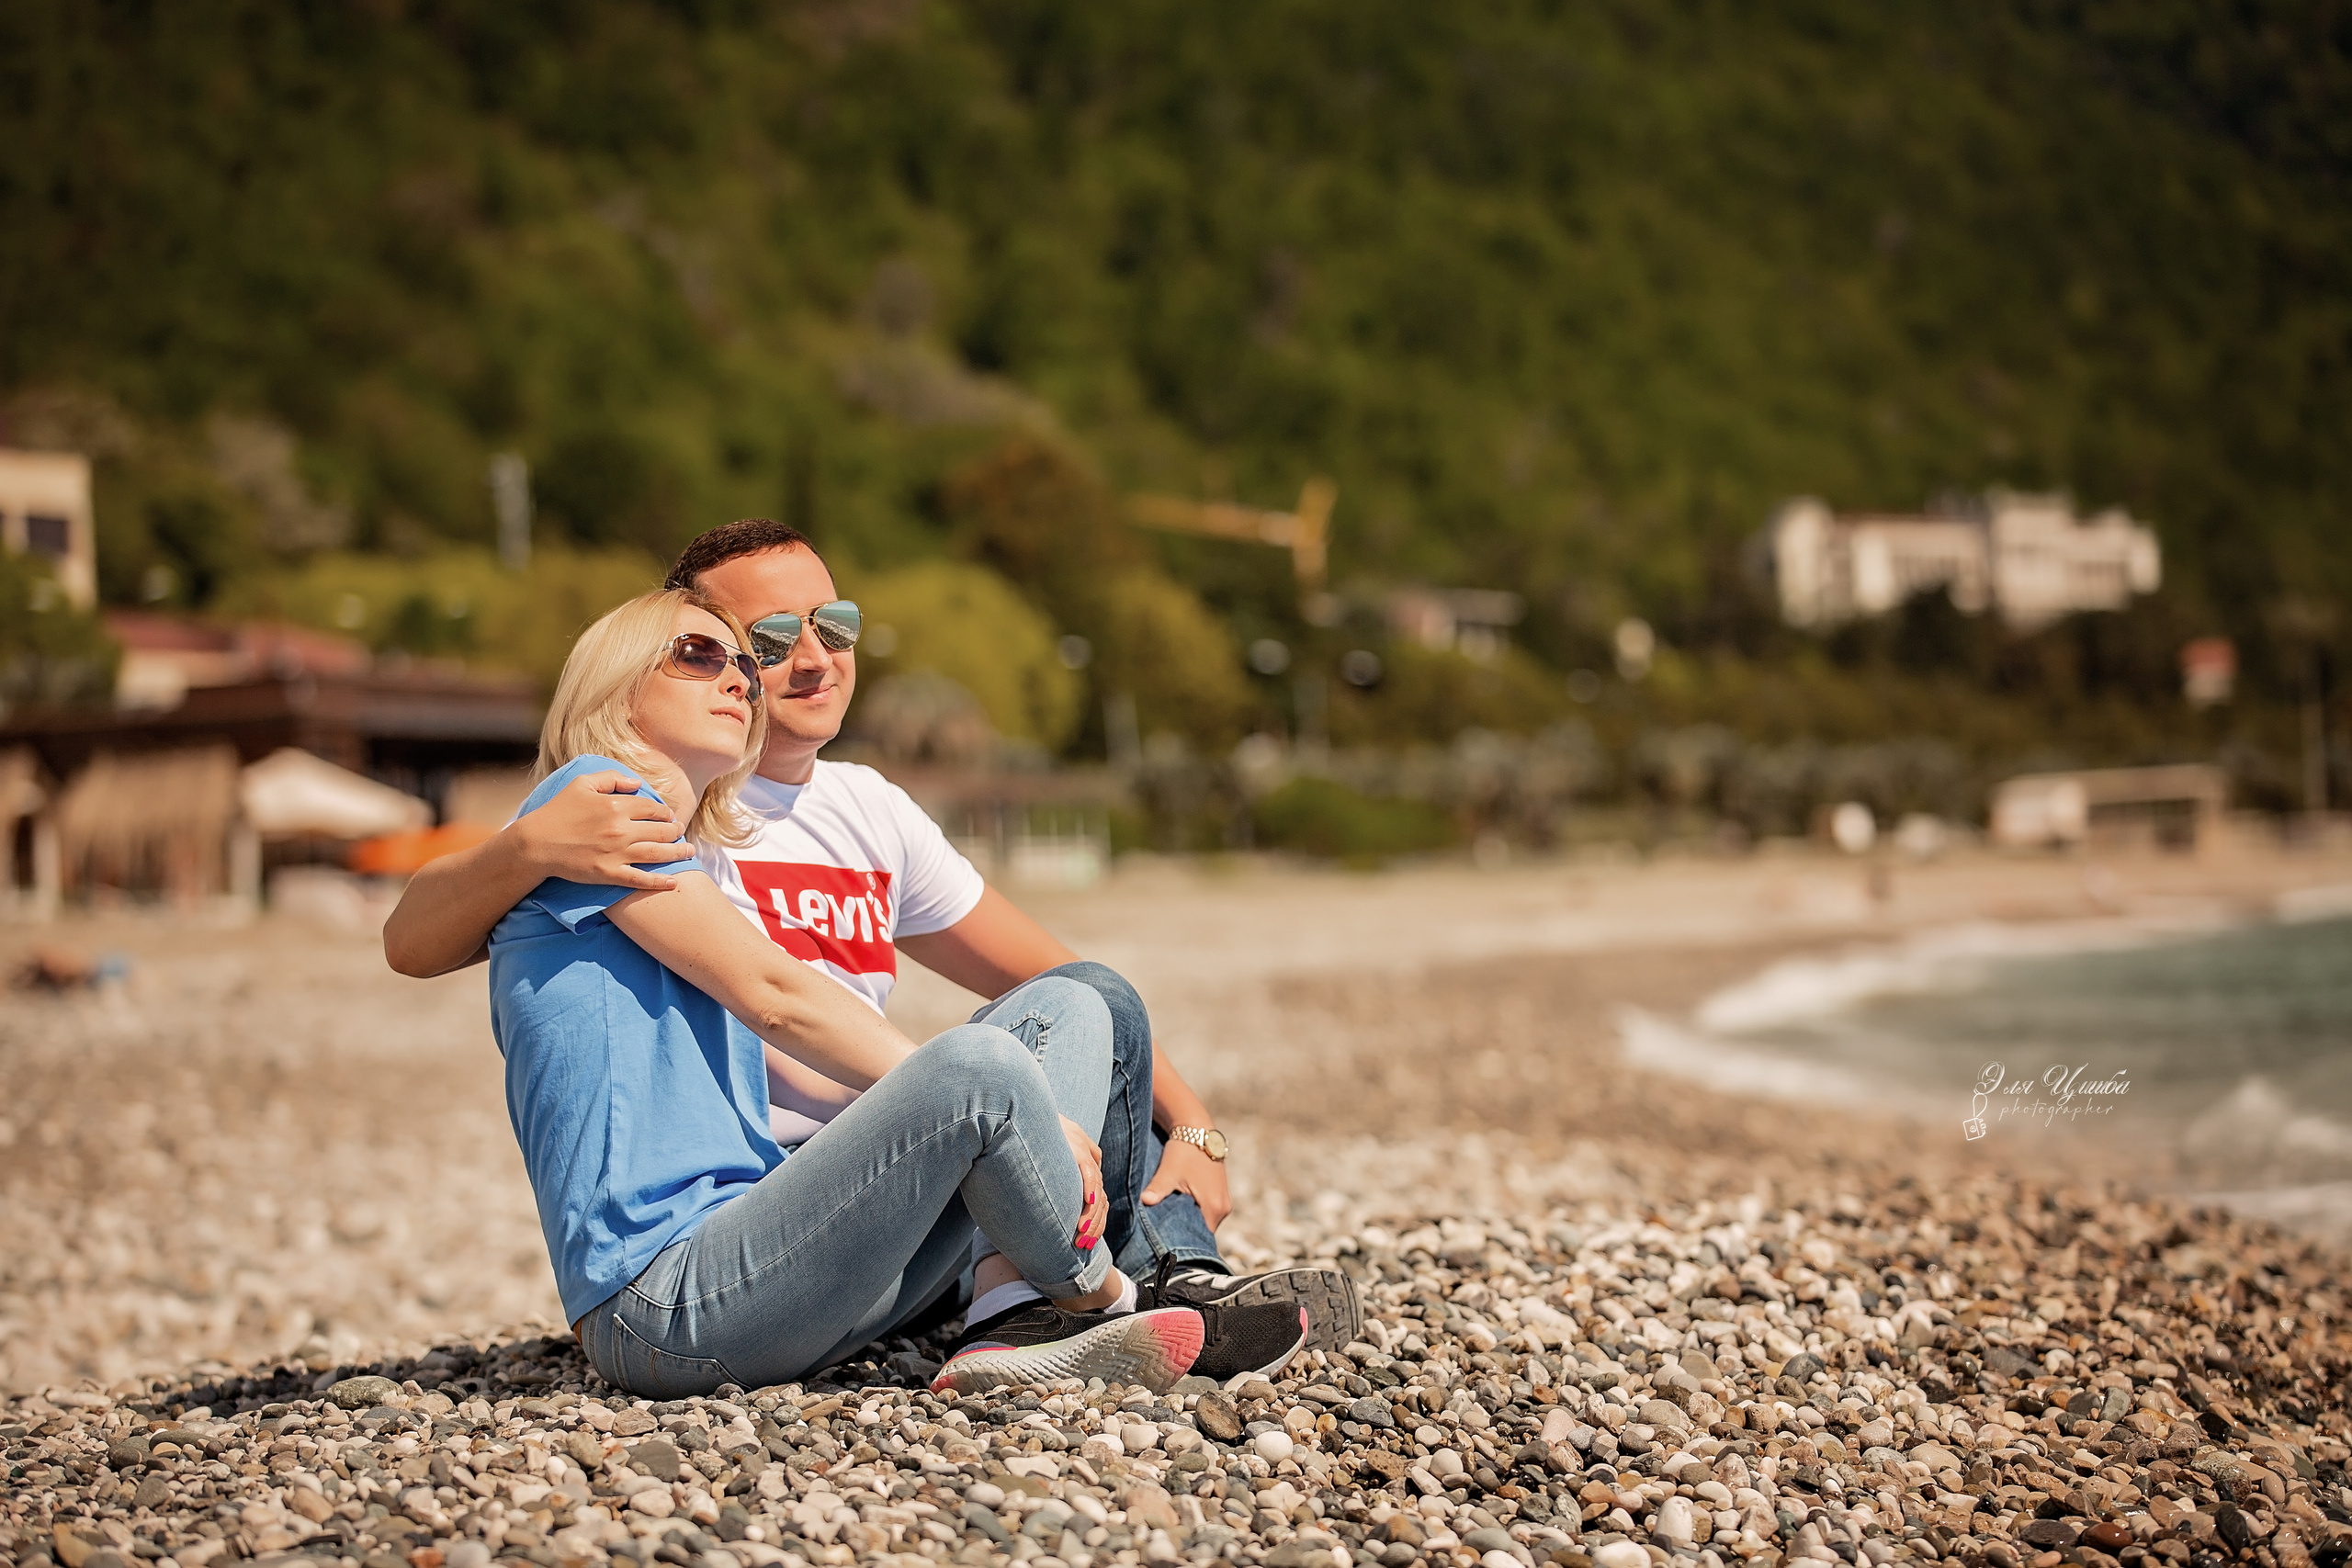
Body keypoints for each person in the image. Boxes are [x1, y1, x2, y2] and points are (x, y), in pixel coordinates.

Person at [385, 520, 1363, 1355]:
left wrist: (1191, 1126)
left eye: (831, 626)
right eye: (734, 645)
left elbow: (1056, 988)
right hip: (706, 1263)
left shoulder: (808, 812)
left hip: (833, 1218)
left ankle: (1123, 1285)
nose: (774, 667)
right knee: (985, 1066)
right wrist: (517, 849)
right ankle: (1093, 1299)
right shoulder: (605, 812)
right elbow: (778, 1000)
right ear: (616, 680)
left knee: (1080, 1001)